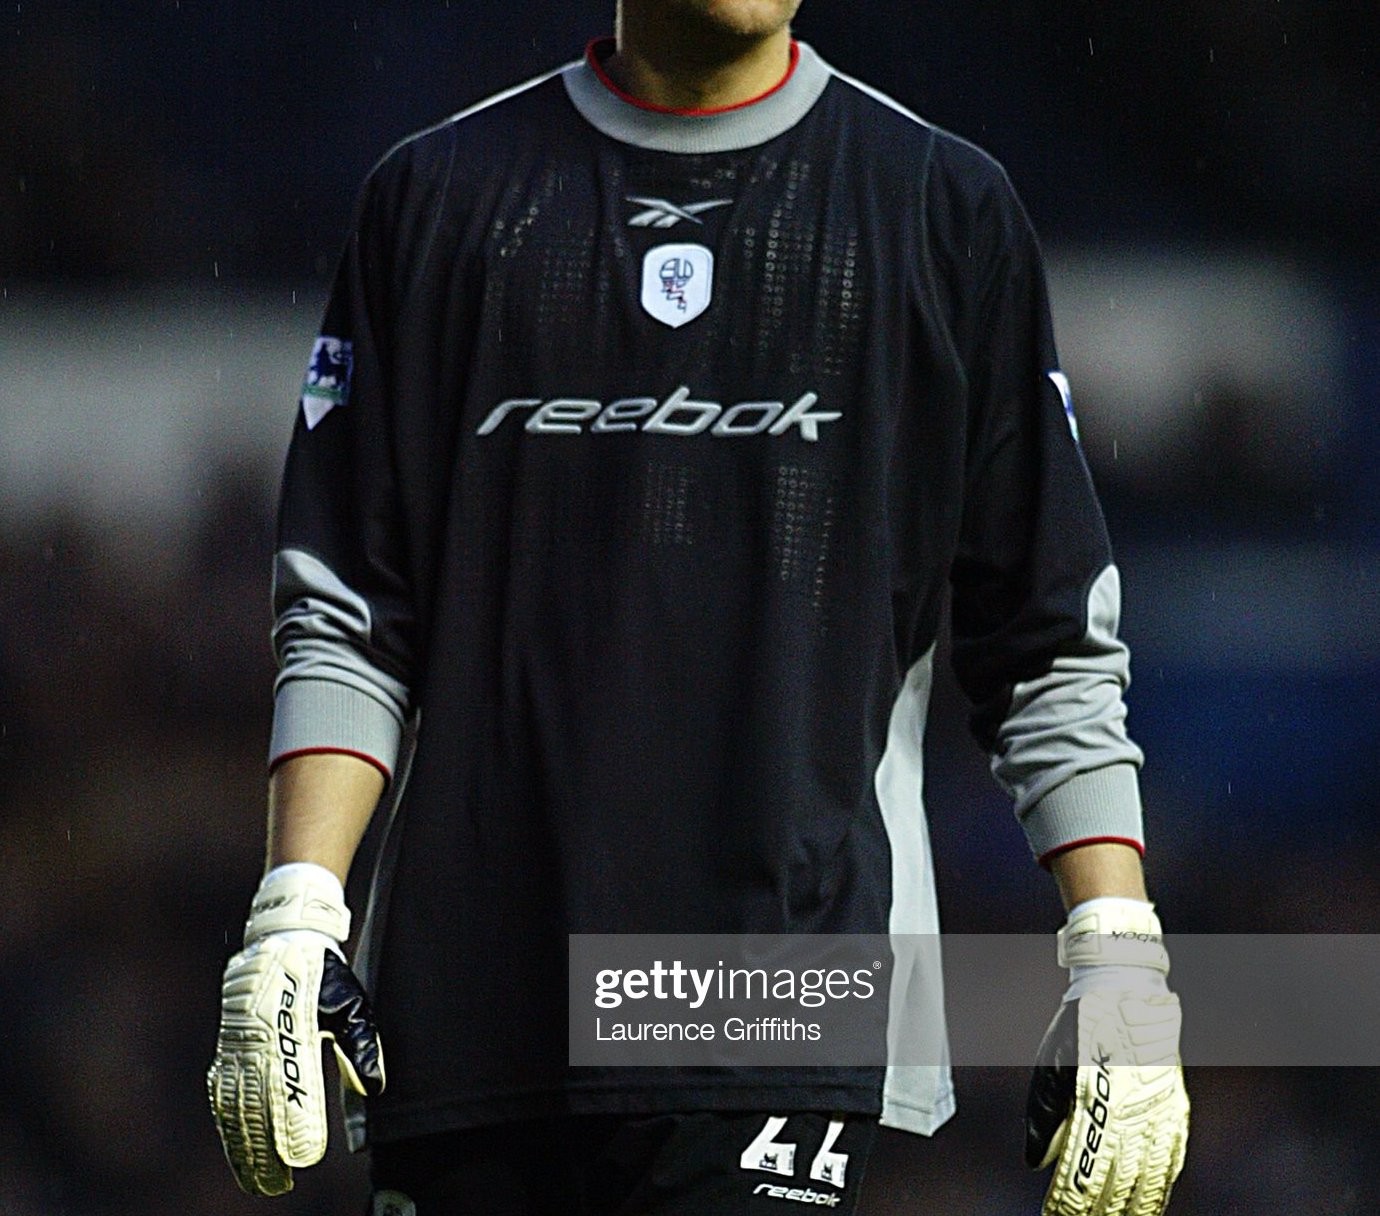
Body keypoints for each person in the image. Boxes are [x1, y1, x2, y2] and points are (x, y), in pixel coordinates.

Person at [208, 2, 1189, 1213]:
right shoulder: (439, 200)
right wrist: (298, 909)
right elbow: (350, 616)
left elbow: (1048, 641)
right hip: (477, 1012)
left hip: (781, 991)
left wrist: (1116, 951)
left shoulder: (937, 208)